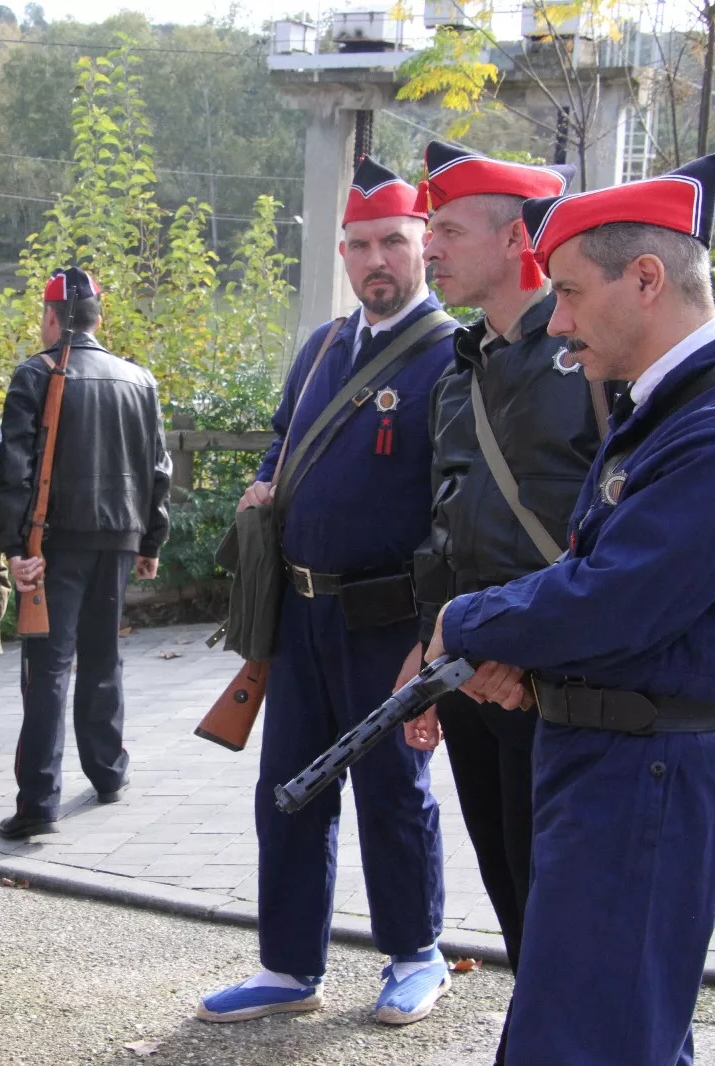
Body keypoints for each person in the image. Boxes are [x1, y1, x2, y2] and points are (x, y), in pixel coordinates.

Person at [426, 154, 715, 1064]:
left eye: (568, 292)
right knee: (608, 1034)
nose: (558, 320)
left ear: (646, 278)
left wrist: (468, 621)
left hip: (651, 774)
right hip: (624, 761)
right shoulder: (678, 409)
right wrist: (534, 667)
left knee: (585, 1044)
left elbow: (612, 599)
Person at [199, 158, 460, 1026]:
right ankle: (287, 965)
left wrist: (435, 634)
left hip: (389, 619)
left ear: (424, 245)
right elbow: (285, 439)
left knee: (392, 789)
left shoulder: (450, 356)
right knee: (288, 789)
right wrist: (266, 483)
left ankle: (417, 954)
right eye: (359, 245)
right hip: (301, 614)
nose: (375, 260)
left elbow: (456, 507)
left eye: (393, 241)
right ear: (342, 252)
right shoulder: (321, 350)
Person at [398, 143, 590, 1007]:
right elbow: (447, 527)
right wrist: (429, 651)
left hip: (557, 686)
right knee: (514, 901)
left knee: (570, 917)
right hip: (473, 678)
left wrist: (523, 650)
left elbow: (608, 530)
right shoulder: (462, 369)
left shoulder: (587, 359)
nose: (428, 246)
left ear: (517, 239)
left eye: (447, 229)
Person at [0, 267, 172, 840]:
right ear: (98, 316)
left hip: (53, 542)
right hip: (118, 537)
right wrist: (151, 540)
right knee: (102, 658)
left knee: (47, 670)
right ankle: (108, 771)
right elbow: (157, 468)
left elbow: (15, 470)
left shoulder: (35, 374)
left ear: (51, 319)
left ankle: (38, 802)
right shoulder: (138, 379)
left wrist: (14, 546)